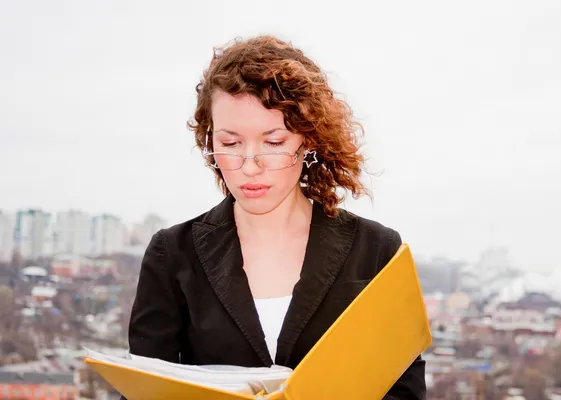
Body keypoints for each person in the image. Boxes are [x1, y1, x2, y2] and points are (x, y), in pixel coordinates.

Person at [126, 35, 426, 399]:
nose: (250, 166)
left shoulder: (376, 251)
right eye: (231, 143)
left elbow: (403, 392)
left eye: (273, 142)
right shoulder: (172, 254)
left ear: (309, 140)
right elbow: (142, 392)